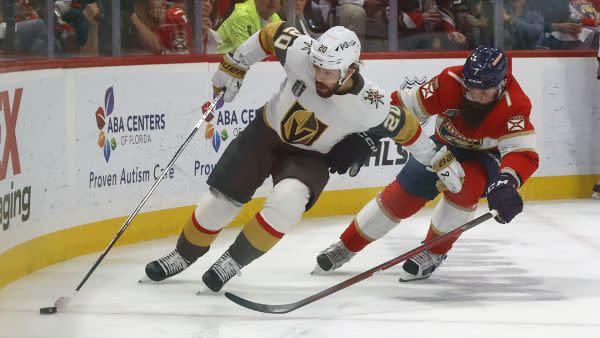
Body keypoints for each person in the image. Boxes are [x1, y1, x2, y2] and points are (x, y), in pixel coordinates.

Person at [142, 22, 464, 292]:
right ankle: (182, 255)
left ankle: (232, 262)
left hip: (312, 157)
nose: (319, 75)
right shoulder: (301, 52)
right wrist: (236, 63)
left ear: (351, 69)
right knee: (219, 203)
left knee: (287, 202)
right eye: (317, 67)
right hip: (265, 133)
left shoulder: (371, 103)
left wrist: (439, 159)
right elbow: (270, 33)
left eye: (329, 72)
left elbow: (407, 129)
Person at [315, 46, 539, 282]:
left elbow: (520, 151)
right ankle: (347, 245)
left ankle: (434, 251)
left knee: (466, 187)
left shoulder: (516, 104)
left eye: (484, 92)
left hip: (486, 158)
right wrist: (370, 134)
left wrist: (506, 182)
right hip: (444, 146)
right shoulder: (449, 81)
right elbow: (405, 107)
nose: (475, 97)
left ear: (501, 84)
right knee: (403, 192)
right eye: (469, 89)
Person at [216, 0, 281, 54]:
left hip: (241, 66)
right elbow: (246, 53)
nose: (273, 1)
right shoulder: (242, 14)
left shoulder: (276, 19)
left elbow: (281, 51)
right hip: (216, 65)